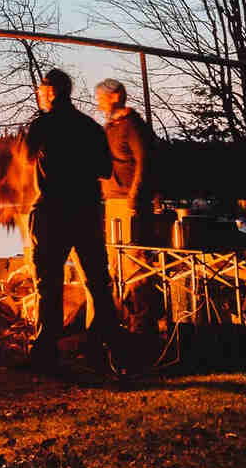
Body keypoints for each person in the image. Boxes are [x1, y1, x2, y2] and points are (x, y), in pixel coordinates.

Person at [23, 68, 123, 375]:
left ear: (52, 92)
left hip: (53, 210)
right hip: (87, 211)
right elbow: (106, 171)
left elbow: (26, 157)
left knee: (48, 283)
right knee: (97, 281)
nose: (40, 96)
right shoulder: (91, 127)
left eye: (42, 91)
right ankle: (109, 349)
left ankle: (45, 353)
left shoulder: (42, 125)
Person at [95, 78, 152, 249]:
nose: (99, 104)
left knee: (131, 255)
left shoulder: (132, 125)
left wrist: (135, 196)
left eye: (101, 99)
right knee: (114, 254)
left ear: (115, 96)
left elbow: (145, 161)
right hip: (112, 197)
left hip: (129, 200)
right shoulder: (111, 127)